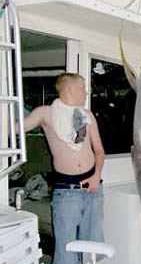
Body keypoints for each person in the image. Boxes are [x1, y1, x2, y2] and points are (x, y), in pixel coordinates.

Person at [20, 72, 105, 264]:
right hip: (67, 192)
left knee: (93, 249)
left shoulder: (87, 116)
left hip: (93, 188)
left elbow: (99, 151)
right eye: (83, 87)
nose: (86, 92)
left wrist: (96, 177)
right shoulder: (46, 113)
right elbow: (17, 128)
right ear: (70, 89)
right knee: (66, 252)